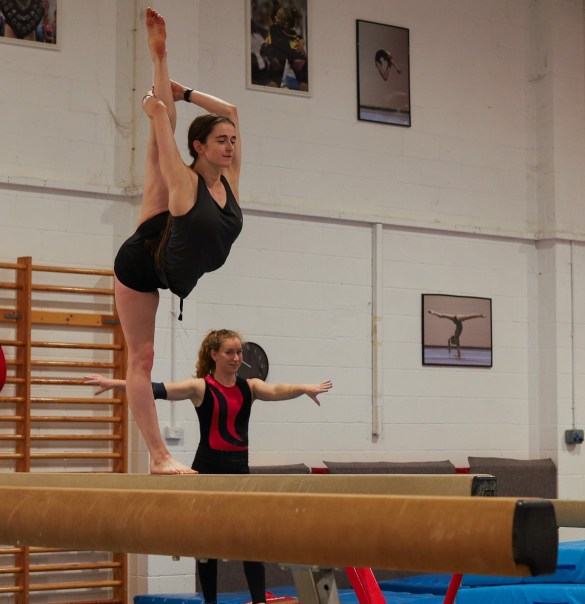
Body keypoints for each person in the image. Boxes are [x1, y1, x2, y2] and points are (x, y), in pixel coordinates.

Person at [86, 328, 332, 604]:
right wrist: (114, 382)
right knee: (208, 544)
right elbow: (154, 389)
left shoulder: (250, 387)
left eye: (239, 352)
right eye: (229, 352)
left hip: (239, 473)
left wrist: (303, 388)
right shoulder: (200, 387)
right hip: (207, 471)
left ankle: (259, 601)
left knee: (252, 541)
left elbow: (277, 390)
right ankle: (211, 602)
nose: (236, 358)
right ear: (214, 354)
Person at [114, 8, 243, 474]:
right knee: (143, 358)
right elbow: (164, 131)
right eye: (221, 141)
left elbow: (231, 110)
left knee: (160, 158)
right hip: (141, 263)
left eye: (232, 141)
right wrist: (157, 105)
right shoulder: (185, 181)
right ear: (199, 147)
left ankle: (159, 58)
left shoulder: (230, 182)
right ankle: (159, 456)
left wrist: (183, 92)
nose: (230, 146)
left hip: (171, 259)